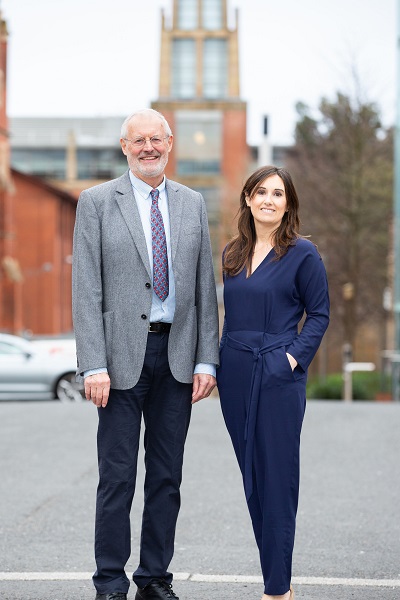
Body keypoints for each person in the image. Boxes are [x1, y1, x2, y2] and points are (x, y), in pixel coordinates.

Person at [72, 108, 219, 600]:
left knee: (166, 478)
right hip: (117, 364)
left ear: (171, 143)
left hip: (177, 359)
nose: (149, 147)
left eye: (158, 138)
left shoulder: (192, 203)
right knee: (116, 478)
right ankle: (110, 581)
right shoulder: (95, 203)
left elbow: (203, 287)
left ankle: (154, 578)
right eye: (140, 140)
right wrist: (93, 363)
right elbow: (86, 288)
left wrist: (206, 359)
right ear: (124, 146)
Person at [216, 166, 329, 600]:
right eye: (260, 191)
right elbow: (228, 318)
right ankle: (276, 578)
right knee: (252, 478)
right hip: (236, 373)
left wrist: (292, 360)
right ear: (247, 198)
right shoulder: (232, 253)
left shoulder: (302, 254)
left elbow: (319, 314)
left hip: (278, 373)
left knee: (278, 477)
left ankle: (277, 589)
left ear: (288, 204)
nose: (268, 199)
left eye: (277, 194)